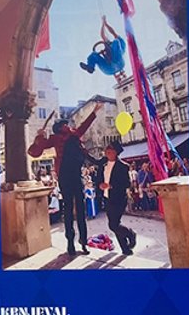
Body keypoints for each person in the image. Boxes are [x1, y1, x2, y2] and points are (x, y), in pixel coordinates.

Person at [28, 103, 103, 256]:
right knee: (71, 209)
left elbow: (84, 125)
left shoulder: (74, 135)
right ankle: (72, 242)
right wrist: (39, 135)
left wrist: (94, 112)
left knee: (76, 209)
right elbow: (35, 152)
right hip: (67, 175)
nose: (68, 126)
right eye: (65, 124)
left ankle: (80, 242)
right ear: (61, 126)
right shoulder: (57, 138)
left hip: (73, 174)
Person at [89, 142, 137, 256]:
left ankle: (130, 234)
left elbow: (126, 183)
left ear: (116, 152)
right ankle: (125, 249)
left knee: (113, 225)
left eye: (110, 150)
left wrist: (111, 186)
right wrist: (99, 184)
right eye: (107, 149)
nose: (107, 151)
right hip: (107, 198)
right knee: (114, 224)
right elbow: (97, 178)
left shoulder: (123, 166)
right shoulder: (103, 164)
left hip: (119, 199)